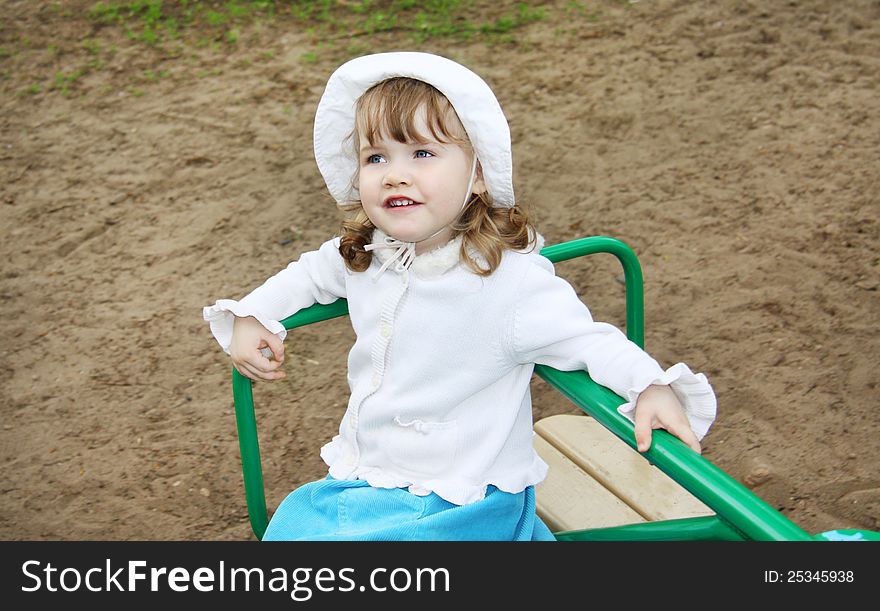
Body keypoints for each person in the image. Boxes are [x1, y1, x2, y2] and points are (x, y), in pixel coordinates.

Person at [203, 52, 717, 541]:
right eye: (375, 156)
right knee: (296, 525)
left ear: (477, 176)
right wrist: (254, 313)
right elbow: (310, 273)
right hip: (376, 477)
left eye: (422, 153)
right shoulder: (373, 251)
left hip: (462, 499)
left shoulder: (508, 282)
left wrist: (649, 385)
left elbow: (588, 341)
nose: (396, 173)